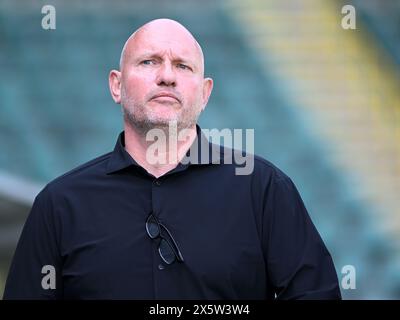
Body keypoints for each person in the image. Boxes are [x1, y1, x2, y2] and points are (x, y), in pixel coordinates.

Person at [4, 19, 341, 299]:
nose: (167, 76)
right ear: (116, 86)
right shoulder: (59, 204)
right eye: (149, 61)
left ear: (205, 92)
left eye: (182, 65)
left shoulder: (264, 190)